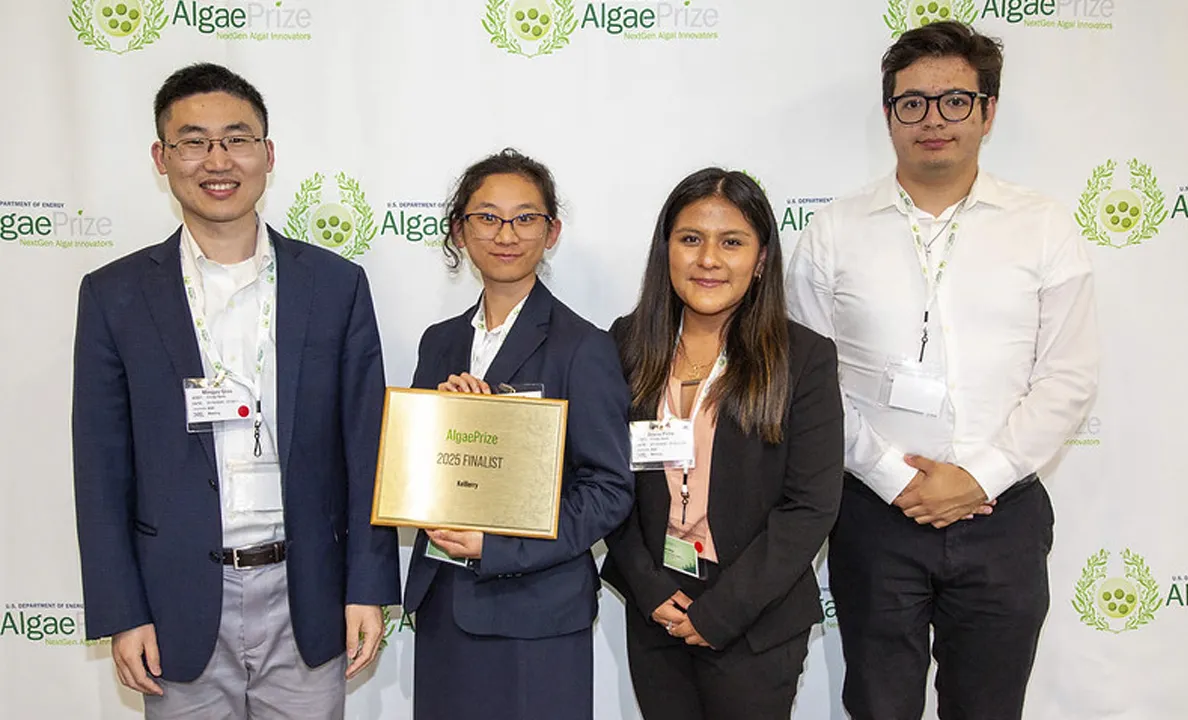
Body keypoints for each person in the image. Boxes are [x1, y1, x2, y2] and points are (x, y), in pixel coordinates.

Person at [787, 21, 1099, 720]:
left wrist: (978, 476)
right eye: (913, 103)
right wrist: (898, 480)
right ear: (889, 113)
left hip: (1003, 517)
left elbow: (1068, 378)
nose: (933, 120)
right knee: (877, 704)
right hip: (874, 516)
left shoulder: (1043, 226)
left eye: (955, 101)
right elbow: (811, 386)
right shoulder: (834, 231)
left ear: (988, 112)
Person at [71, 63, 400, 719]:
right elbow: (101, 468)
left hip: (307, 593)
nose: (217, 160)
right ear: (162, 158)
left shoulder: (336, 286)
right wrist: (123, 612)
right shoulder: (115, 296)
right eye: (193, 141)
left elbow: (370, 446)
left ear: (267, 154)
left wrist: (368, 587)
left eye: (237, 139)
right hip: (177, 602)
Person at [601, 167, 844, 720]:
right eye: (691, 239)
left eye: (731, 242)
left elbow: (810, 507)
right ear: (666, 251)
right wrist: (649, 589)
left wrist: (722, 614)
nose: (708, 259)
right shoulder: (625, 344)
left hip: (756, 622)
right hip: (657, 607)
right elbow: (605, 480)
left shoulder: (803, 358)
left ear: (761, 260)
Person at [403, 148, 634, 720]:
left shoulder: (583, 347)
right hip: (443, 606)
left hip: (535, 616)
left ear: (551, 231)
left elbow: (608, 489)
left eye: (525, 217)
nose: (506, 233)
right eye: (487, 216)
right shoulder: (439, 342)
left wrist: (498, 545)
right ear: (459, 229)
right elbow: (419, 473)